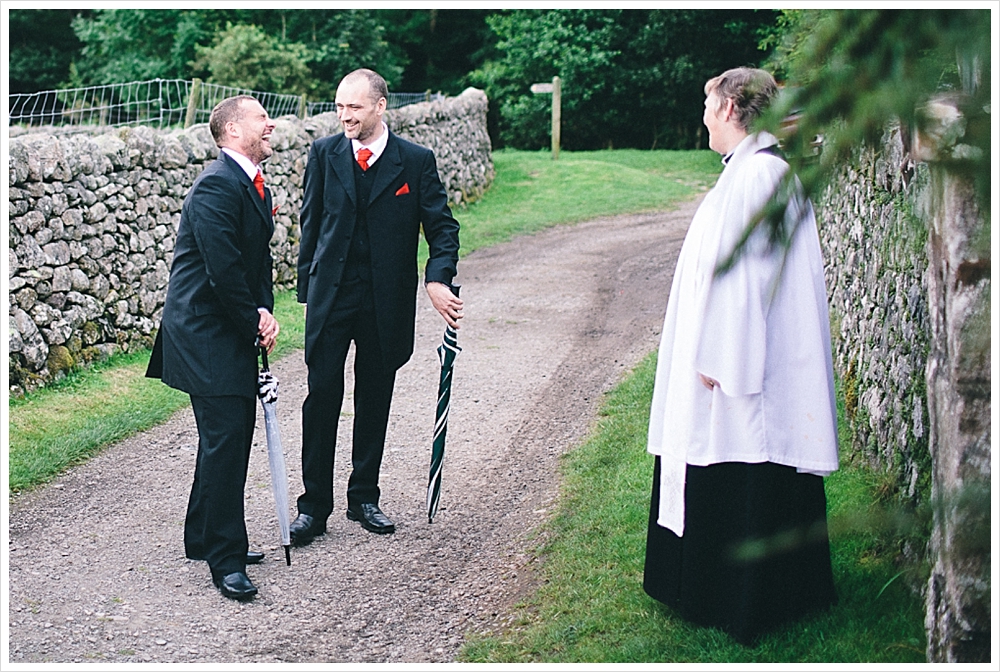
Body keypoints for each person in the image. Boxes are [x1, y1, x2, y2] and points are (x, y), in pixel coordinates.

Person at [643, 67, 840, 644]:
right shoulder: (752, 173)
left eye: (708, 105)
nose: (703, 117)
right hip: (737, 363)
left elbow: (746, 282)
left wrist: (719, 360)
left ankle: (737, 597)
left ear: (730, 107)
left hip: (740, 377)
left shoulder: (757, 177)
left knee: (741, 456)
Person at [291, 68, 463, 542]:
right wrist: (309, 292)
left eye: (355, 107)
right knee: (321, 396)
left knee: (375, 397)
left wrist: (436, 279)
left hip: (384, 302)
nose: (344, 116)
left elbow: (443, 229)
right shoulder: (323, 153)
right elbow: (312, 223)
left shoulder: (415, 161)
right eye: (340, 106)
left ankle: (364, 496)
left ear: (381, 107)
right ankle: (314, 506)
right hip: (331, 298)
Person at [147, 95, 279, 601]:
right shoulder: (216, 187)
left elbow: (254, 263)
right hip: (204, 333)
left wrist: (263, 312)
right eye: (260, 118)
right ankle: (226, 559)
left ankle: (203, 536)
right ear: (232, 131)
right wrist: (253, 321)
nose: (270, 124)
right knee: (227, 441)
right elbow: (223, 272)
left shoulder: (252, 186)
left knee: (223, 438)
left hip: (228, 328)